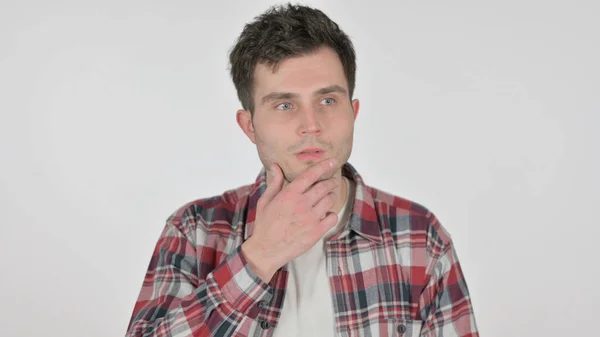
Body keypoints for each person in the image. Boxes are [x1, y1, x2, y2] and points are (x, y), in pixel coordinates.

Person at [125, 3, 479, 337]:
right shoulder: (195, 231)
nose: (311, 124)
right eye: (284, 105)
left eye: (328, 100)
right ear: (249, 126)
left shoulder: (421, 238)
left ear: (353, 112)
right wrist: (259, 256)